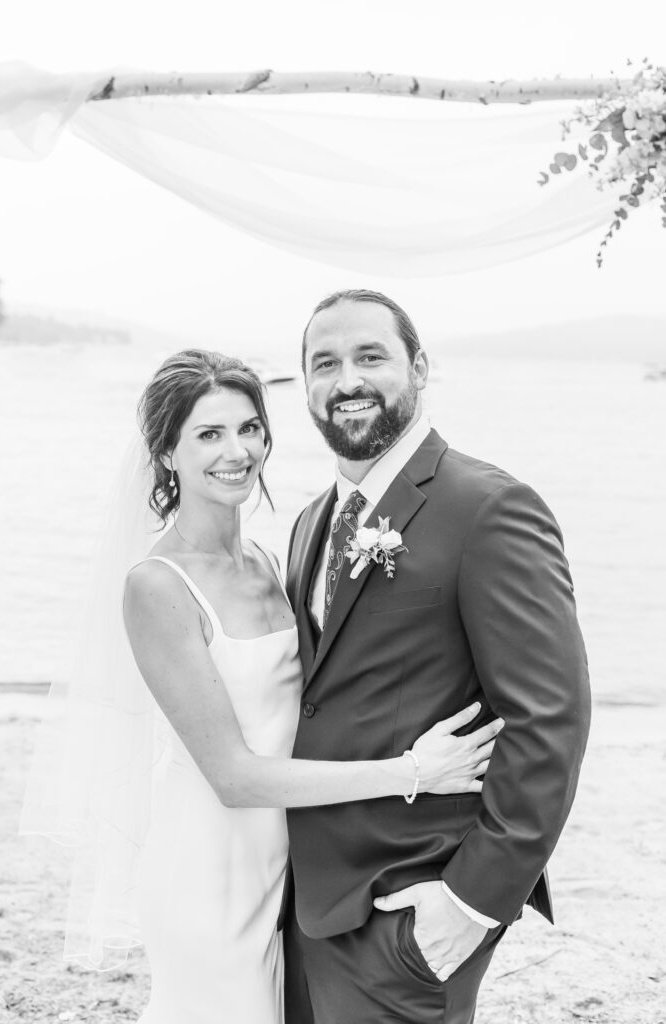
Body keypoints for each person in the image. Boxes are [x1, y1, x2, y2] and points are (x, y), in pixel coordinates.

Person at [121, 348, 502, 1024]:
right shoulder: (157, 586)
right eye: (208, 434)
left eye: (249, 428)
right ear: (166, 453)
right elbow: (235, 777)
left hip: (290, 868)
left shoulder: (271, 559)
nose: (237, 451)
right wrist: (412, 771)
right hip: (209, 870)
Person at [283, 289, 592, 1024]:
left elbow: (550, 718)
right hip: (298, 902)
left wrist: (470, 903)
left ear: (419, 368)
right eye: (324, 363)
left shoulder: (487, 507)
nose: (346, 379)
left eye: (370, 356)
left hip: (409, 907)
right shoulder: (307, 524)